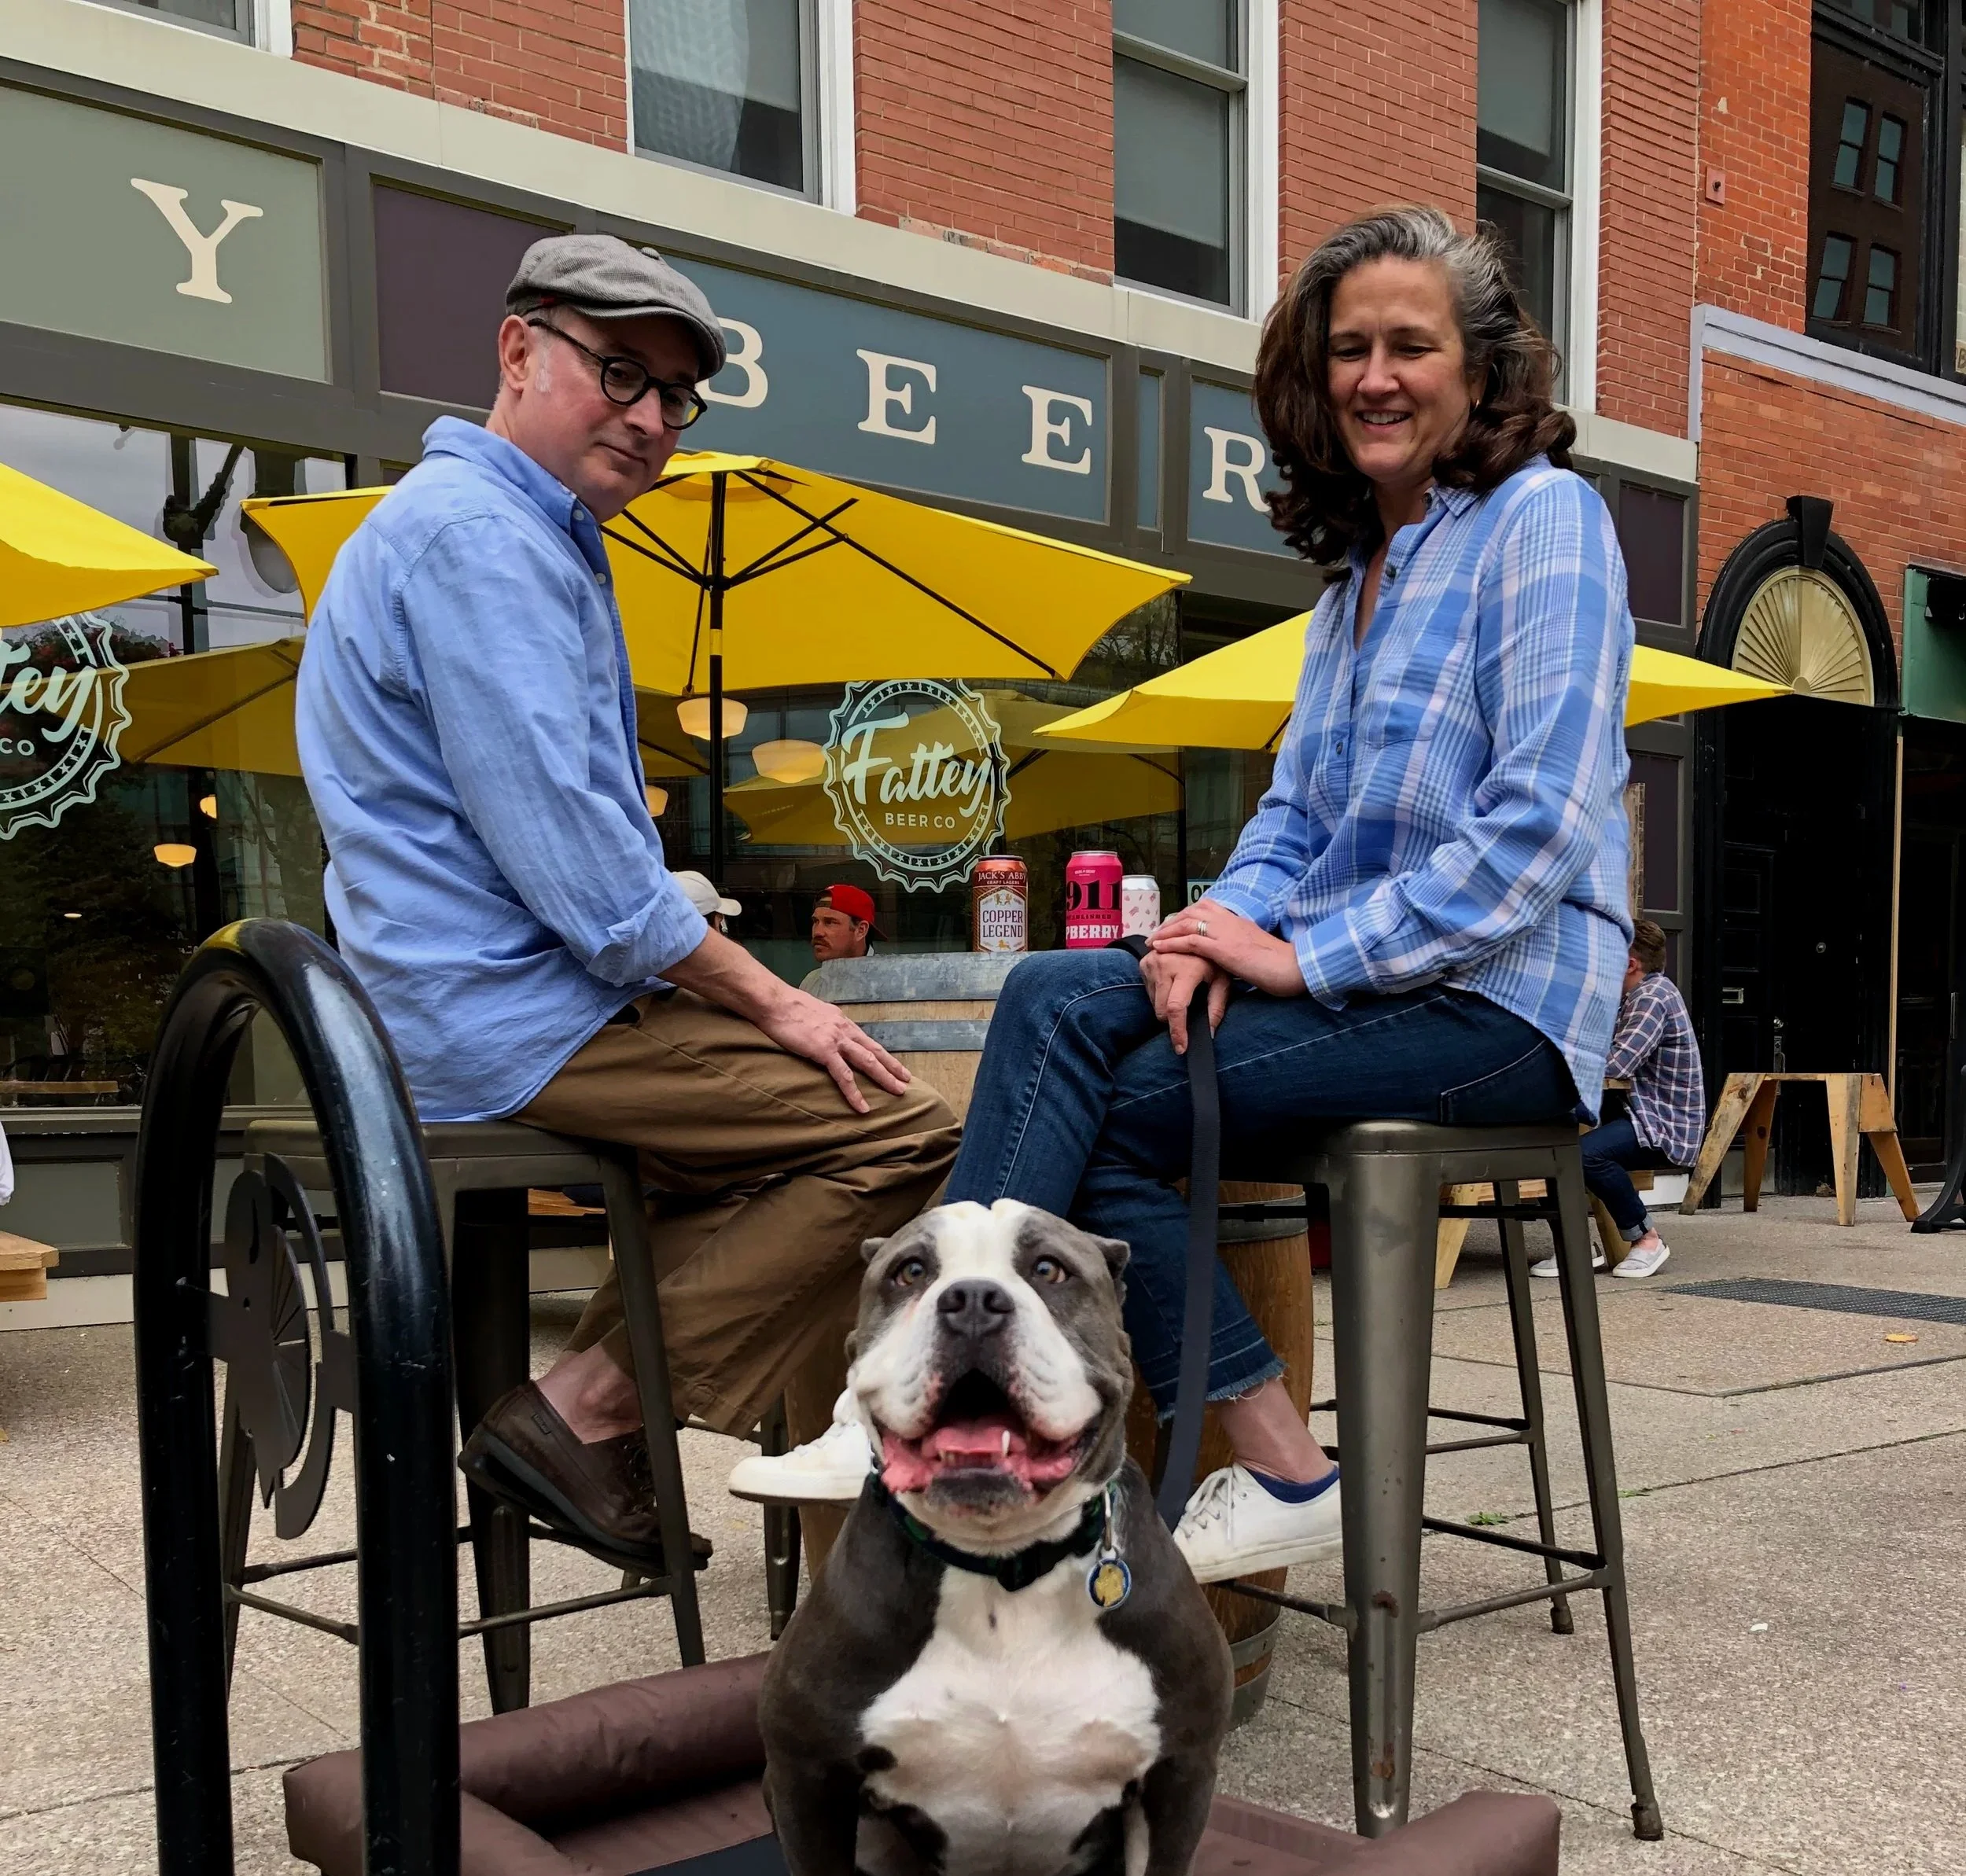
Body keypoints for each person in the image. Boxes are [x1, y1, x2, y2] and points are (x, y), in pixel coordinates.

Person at [751, 205, 1635, 1578]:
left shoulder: (1545, 521)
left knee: (1069, 1041)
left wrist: (1300, 959)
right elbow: (1293, 818)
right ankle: (1279, 1461)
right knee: (1070, 1016)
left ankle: (910, 1411)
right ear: (1313, 376)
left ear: (1481, 372)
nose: (1378, 376)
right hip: (1381, 989)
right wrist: (1202, 938)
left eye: (1414, 345)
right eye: (1351, 348)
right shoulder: (1357, 581)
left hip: (1500, 1004)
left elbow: (1542, 827)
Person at [296, 234, 957, 1565]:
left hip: (486, 1003)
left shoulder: (521, 532)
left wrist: (691, 954)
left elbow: (574, 858)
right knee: (900, 1127)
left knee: (781, 1145)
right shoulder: (483, 540)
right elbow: (592, 889)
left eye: (675, 397)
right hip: (506, 1018)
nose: (652, 418)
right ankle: (584, 1408)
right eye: (620, 374)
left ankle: (587, 1421)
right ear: (517, 349)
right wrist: (775, 998)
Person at [1534, 915, 1701, 1281]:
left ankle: (1648, 1238)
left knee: (1581, 1156)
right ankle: (1574, 1247)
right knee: (1545, 1138)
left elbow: (1618, 1063)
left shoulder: (1653, 996)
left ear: (1629, 963)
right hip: (1630, 1113)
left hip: (1659, 1124)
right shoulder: (1632, 997)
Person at [809, 883, 877, 963]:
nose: (817, 932)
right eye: (816, 921)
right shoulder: (814, 976)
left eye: (830, 922)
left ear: (861, 930)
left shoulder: (887, 975)